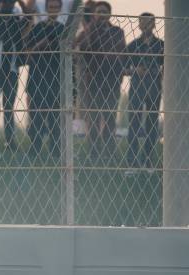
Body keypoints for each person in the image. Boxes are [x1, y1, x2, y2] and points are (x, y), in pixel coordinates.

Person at [0, 0, 33, 151]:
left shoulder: (16, 21)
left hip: (12, 69)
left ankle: (10, 141)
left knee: (9, 105)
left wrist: (21, 3)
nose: (7, 4)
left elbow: (29, 17)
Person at [75, 0, 124, 160]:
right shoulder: (88, 31)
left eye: (104, 12)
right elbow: (80, 45)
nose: (102, 15)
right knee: (93, 119)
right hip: (93, 82)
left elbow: (118, 52)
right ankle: (94, 153)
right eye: (98, 12)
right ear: (94, 14)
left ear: (109, 14)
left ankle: (109, 154)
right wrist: (90, 26)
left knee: (109, 118)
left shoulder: (117, 31)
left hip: (111, 81)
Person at [124, 12, 163, 173]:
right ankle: (132, 162)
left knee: (152, 124)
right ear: (139, 24)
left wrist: (158, 71)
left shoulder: (161, 45)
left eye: (149, 22)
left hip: (154, 88)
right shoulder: (133, 45)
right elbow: (123, 67)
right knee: (133, 124)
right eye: (142, 22)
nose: (145, 25)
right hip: (137, 88)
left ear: (154, 24)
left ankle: (148, 161)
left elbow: (167, 66)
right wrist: (135, 70)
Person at [25, 0, 64, 158]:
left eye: (56, 7)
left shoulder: (64, 29)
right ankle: (34, 151)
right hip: (37, 77)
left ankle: (55, 153)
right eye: (51, 7)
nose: (53, 9)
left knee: (56, 119)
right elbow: (27, 52)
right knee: (36, 118)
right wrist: (40, 45)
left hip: (56, 79)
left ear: (60, 9)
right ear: (46, 9)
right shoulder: (38, 28)